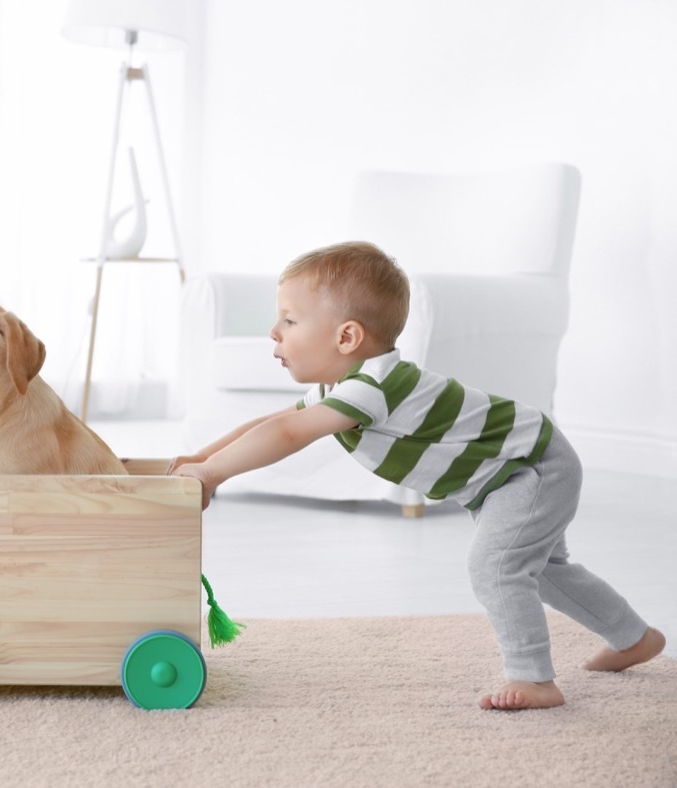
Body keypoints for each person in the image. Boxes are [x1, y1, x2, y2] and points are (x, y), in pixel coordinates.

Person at [169, 240, 666, 710]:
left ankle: (534, 677)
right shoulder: (341, 385)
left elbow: (290, 433)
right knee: (547, 573)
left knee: (496, 567)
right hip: (514, 472)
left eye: (290, 320)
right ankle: (635, 637)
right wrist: (202, 459)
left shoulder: (375, 386)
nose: (274, 332)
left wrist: (212, 474)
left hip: (532, 465)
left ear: (347, 336)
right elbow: (271, 423)